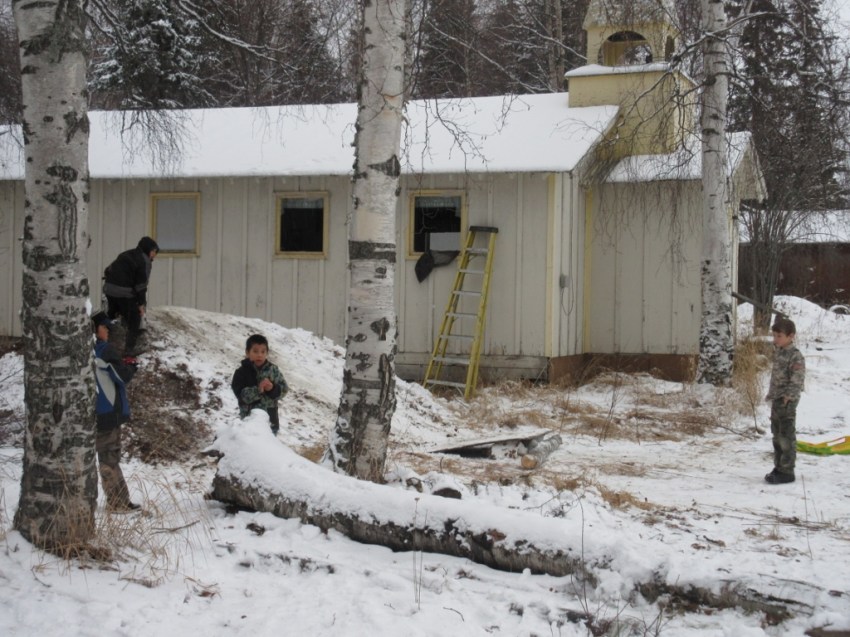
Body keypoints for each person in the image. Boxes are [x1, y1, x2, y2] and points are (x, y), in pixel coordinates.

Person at [93, 311, 141, 512]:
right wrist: (131, 367)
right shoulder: (104, 351)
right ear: (96, 331)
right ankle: (118, 502)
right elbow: (120, 377)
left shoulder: (84, 351)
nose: (108, 332)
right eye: (105, 328)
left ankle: (120, 500)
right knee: (109, 458)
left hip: (95, 412)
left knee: (107, 457)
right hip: (108, 413)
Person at [764, 316, 806, 485]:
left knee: (786, 436)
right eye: (774, 336)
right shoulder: (780, 352)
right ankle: (779, 466)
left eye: (779, 336)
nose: (776, 339)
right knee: (776, 434)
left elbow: (797, 378)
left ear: (791, 336)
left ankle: (787, 470)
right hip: (776, 399)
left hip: (786, 401)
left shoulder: (795, 356)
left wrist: (789, 396)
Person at [103, 236, 159, 356]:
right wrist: (141, 304)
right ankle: (129, 350)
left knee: (112, 313)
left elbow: (107, 270)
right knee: (134, 319)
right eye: (154, 252)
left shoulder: (125, 254)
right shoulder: (144, 261)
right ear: (148, 249)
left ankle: (102, 339)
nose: (154, 255)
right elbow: (141, 286)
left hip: (109, 289)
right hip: (124, 293)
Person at [231, 334, 289, 434]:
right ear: (247, 352)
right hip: (248, 421)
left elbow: (284, 390)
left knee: (268, 448)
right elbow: (241, 396)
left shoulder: (273, 370)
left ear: (267, 353)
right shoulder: (241, 372)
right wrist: (258, 390)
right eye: (255, 351)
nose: (259, 355)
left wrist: (272, 389)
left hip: (270, 420)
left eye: (263, 352)